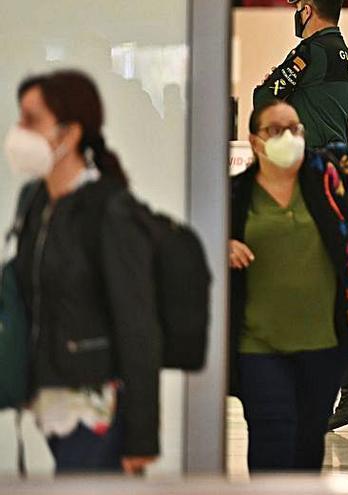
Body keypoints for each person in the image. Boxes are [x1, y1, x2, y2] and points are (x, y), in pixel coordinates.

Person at [228, 99, 348, 471]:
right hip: (258, 342)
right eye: (275, 130)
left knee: (306, 445)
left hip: (324, 341)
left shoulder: (332, 172)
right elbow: (196, 239)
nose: (288, 136)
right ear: (255, 141)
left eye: (294, 129)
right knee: (269, 439)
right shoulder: (237, 195)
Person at [4, 70, 161, 474]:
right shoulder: (35, 201)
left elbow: (138, 325)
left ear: (69, 134)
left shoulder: (109, 210)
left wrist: (142, 435)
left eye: (32, 121)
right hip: (51, 403)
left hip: (97, 411)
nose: (20, 132)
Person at [253, 0, 348, 149]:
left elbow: (263, 99)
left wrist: (274, 85)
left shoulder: (310, 52)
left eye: (298, 8)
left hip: (308, 160)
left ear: (307, 11)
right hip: (336, 160)